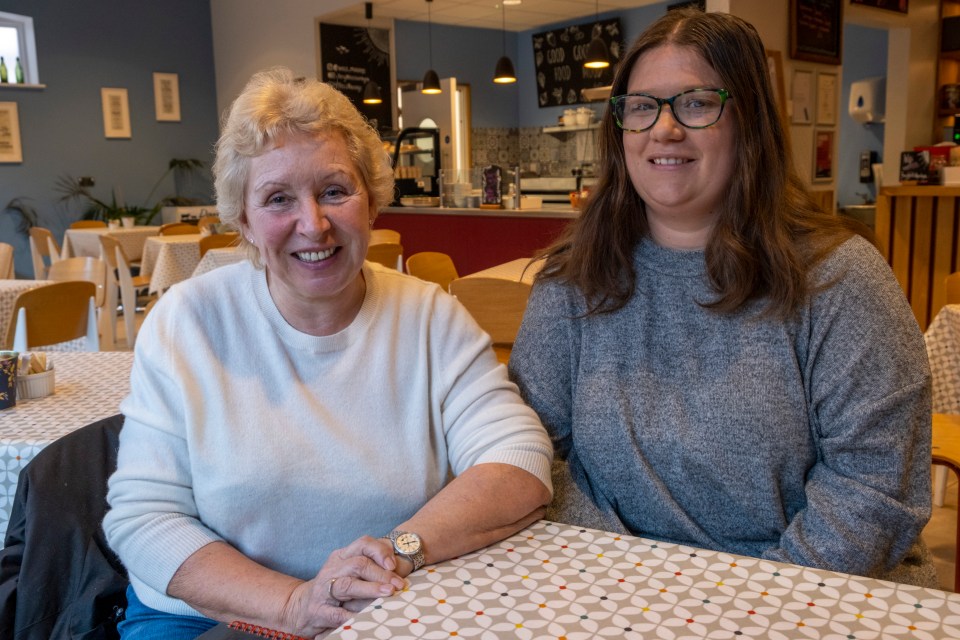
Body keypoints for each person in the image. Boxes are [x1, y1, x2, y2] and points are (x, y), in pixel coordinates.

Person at [104, 67, 553, 639]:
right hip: (208, 617)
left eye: (334, 191)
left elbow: (517, 459)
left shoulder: (429, 316)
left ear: (371, 203)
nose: (313, 224)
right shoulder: (187, 322)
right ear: (243, 219)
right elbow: (144, 519)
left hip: (386, 604)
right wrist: (294, 604)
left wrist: (395, 553)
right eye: (277, 199)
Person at [509, 9, 936, 587]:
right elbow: (530, 450)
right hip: (613, 583)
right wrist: (631, 578)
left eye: (696, 103)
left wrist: (740, 605)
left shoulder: (840, 279)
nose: (664, 129)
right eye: (641, 106)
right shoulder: (572, 280)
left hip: (809, 595)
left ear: (749, 121)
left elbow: (872, 490)